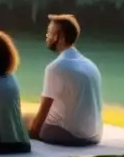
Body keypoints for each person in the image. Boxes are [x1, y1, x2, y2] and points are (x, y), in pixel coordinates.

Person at [25, 14, 103, 147]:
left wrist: (32, 134)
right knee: (29, 117)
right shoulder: (90, 65)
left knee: (23, 119)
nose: (47, 36)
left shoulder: (56, 68)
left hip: (73, 136)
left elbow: (43, 111)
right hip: (95, 135)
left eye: (49, 32)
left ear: (58, 36)